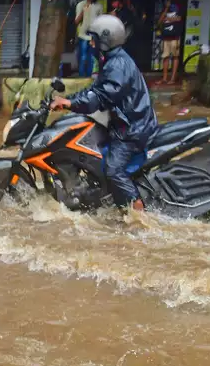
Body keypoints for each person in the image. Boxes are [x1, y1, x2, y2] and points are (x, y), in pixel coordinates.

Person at [51, 14, 158, 216]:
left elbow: (100, 97)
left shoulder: (118, 65)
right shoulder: (111, 60)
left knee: (113, 170)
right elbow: (94, 90)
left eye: (94, 38)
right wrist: (67, 100)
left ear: (105, 39)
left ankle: (138, 213)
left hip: (132, 129)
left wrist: (70, 104)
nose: (91, 43)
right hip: (123, 123)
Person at [74, 0, 105, 78]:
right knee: (83, 56)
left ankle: (89, 77)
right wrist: (84, 10)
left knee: (92, 57)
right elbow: (76, 21)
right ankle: (81, 77)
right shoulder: (81, 4)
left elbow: (101, 21)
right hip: (83, 34)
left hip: (94, 34)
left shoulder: (99, 6)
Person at [156, 0, 184, 85]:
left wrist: (168, 19)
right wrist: (166, 9)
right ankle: (164, 78)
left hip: (175, 35)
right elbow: (159, 21)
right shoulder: (167, 5)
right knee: (165, 56)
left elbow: (179, 18)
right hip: (166, 35)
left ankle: (172, 78)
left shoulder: (180, 5)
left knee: (175, 56)